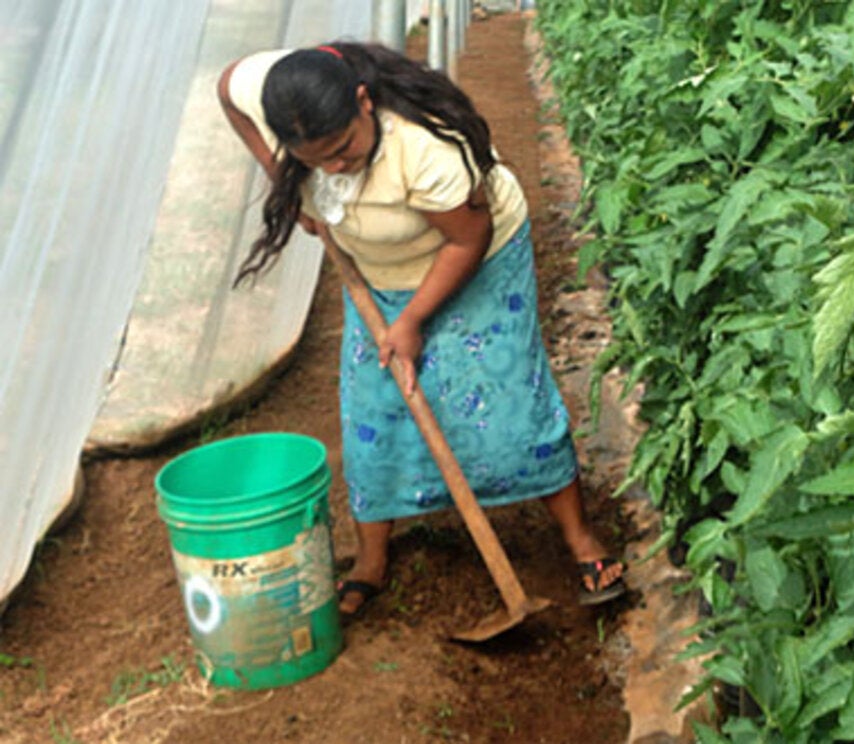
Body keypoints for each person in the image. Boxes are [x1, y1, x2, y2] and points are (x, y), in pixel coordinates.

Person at [217, 42, 625, 615]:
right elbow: (228, 89)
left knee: (507, 399)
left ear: (364, 102)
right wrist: (289, 186)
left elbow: (468, 238)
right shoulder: (275, 93)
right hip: (377, 274)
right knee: (375, 409)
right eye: (315, 161)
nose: (334, 168)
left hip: (476, 261)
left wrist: (410, 322)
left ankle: (580, 539)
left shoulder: (424, 146)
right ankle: (371, 560)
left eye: (343, 150)